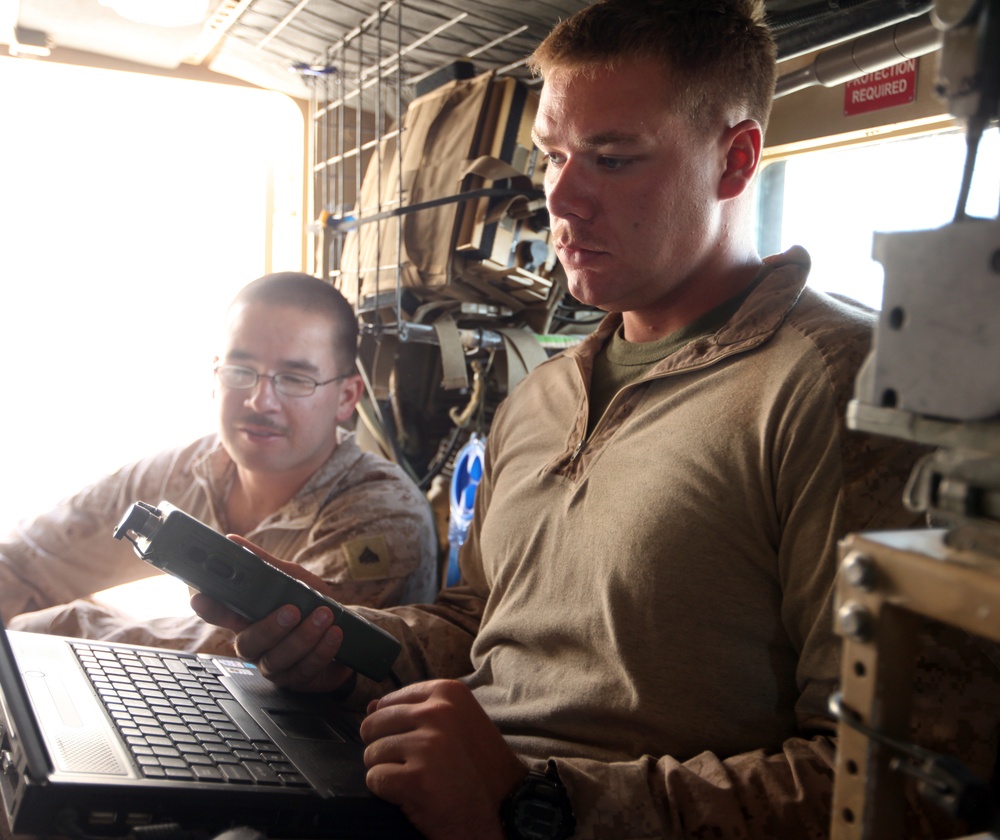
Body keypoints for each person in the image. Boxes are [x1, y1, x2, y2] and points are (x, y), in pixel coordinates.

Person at [192, 4, 999, 839]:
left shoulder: (844, 393)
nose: (560, 197)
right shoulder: (546, 393)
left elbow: (907, 786)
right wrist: (340, 643)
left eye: (612, 159)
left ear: (736, 159)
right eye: (551, 156)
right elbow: (479, 627)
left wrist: (538, 802)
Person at [1, 271, 439, 656]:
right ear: (215, 376)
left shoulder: (382, 513)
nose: (259, 401)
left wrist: (47, 629)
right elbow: (32, 556)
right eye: (241, 371)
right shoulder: (192, 467)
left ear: (346, 397)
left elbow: (249, 656)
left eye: (294, 379)